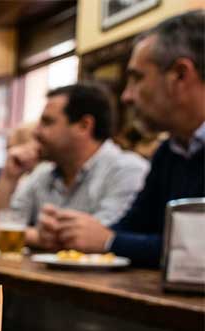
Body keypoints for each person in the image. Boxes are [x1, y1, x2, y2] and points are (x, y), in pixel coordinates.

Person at [39, 10, 205, 267]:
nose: (126, 96)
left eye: (137, 78)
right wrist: (72, 233)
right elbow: (134, 227)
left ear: (180, 74)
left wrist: (109, 241)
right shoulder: (170, 152)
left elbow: (197, 253)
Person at [0, 83, 149, 248]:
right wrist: (9, 177)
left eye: (47, 122)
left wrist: (27, 236)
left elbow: (99, 238)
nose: (36, 132)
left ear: (84, 126)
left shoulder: (127, 170)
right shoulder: (43, 173)